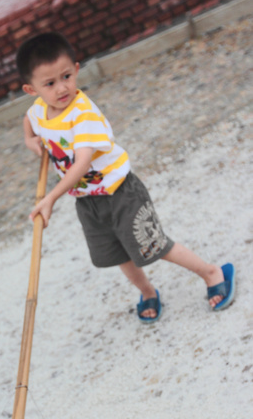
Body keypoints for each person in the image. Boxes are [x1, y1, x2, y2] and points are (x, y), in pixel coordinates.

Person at [16, 32, 235, 322]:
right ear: (32, 90)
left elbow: (81, 164)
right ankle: (147, 292)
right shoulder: (40, 110)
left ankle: (211, 272)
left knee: (155, 246)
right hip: (88, 202)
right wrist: (31, 140)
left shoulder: (83, 115)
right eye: (50, 83)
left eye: (67, 76)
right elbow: (29, 122)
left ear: (77, 69)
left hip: (121, 193)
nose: (62, 88)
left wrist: (50, 198)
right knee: (119, 254)